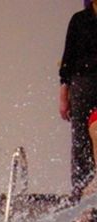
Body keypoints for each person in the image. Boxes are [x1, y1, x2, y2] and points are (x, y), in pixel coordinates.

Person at [59, 1, 97, 200]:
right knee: (81, 143)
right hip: (83, 84)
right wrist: (63, 95)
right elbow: (68, 59)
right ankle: (80, 198)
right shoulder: (79, 20)